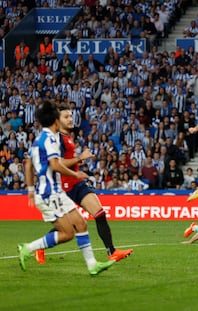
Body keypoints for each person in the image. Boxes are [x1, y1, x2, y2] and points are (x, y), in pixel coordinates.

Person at [19, 101, 115, 275]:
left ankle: (92, 265)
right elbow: (55, 165)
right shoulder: (50, 139)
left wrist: (30, 190)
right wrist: (76, 174)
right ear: (56, 119)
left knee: (81, 223)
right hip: (50, 193)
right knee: (67, 234)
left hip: (55, 191)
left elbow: (27, 165)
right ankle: (28, 247)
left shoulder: (42, 138)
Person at [34, 104, 133, 265]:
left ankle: (112, 252)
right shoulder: (57, 138)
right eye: (66, 117)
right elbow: (58, 163)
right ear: (57, 121)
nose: (70, 119)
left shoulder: (67, 137)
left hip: (77, 182)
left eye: (71, 116)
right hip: (66, 186)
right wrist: (81, 158)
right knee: (70, 227)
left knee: (99, 213)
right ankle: (41, 246)